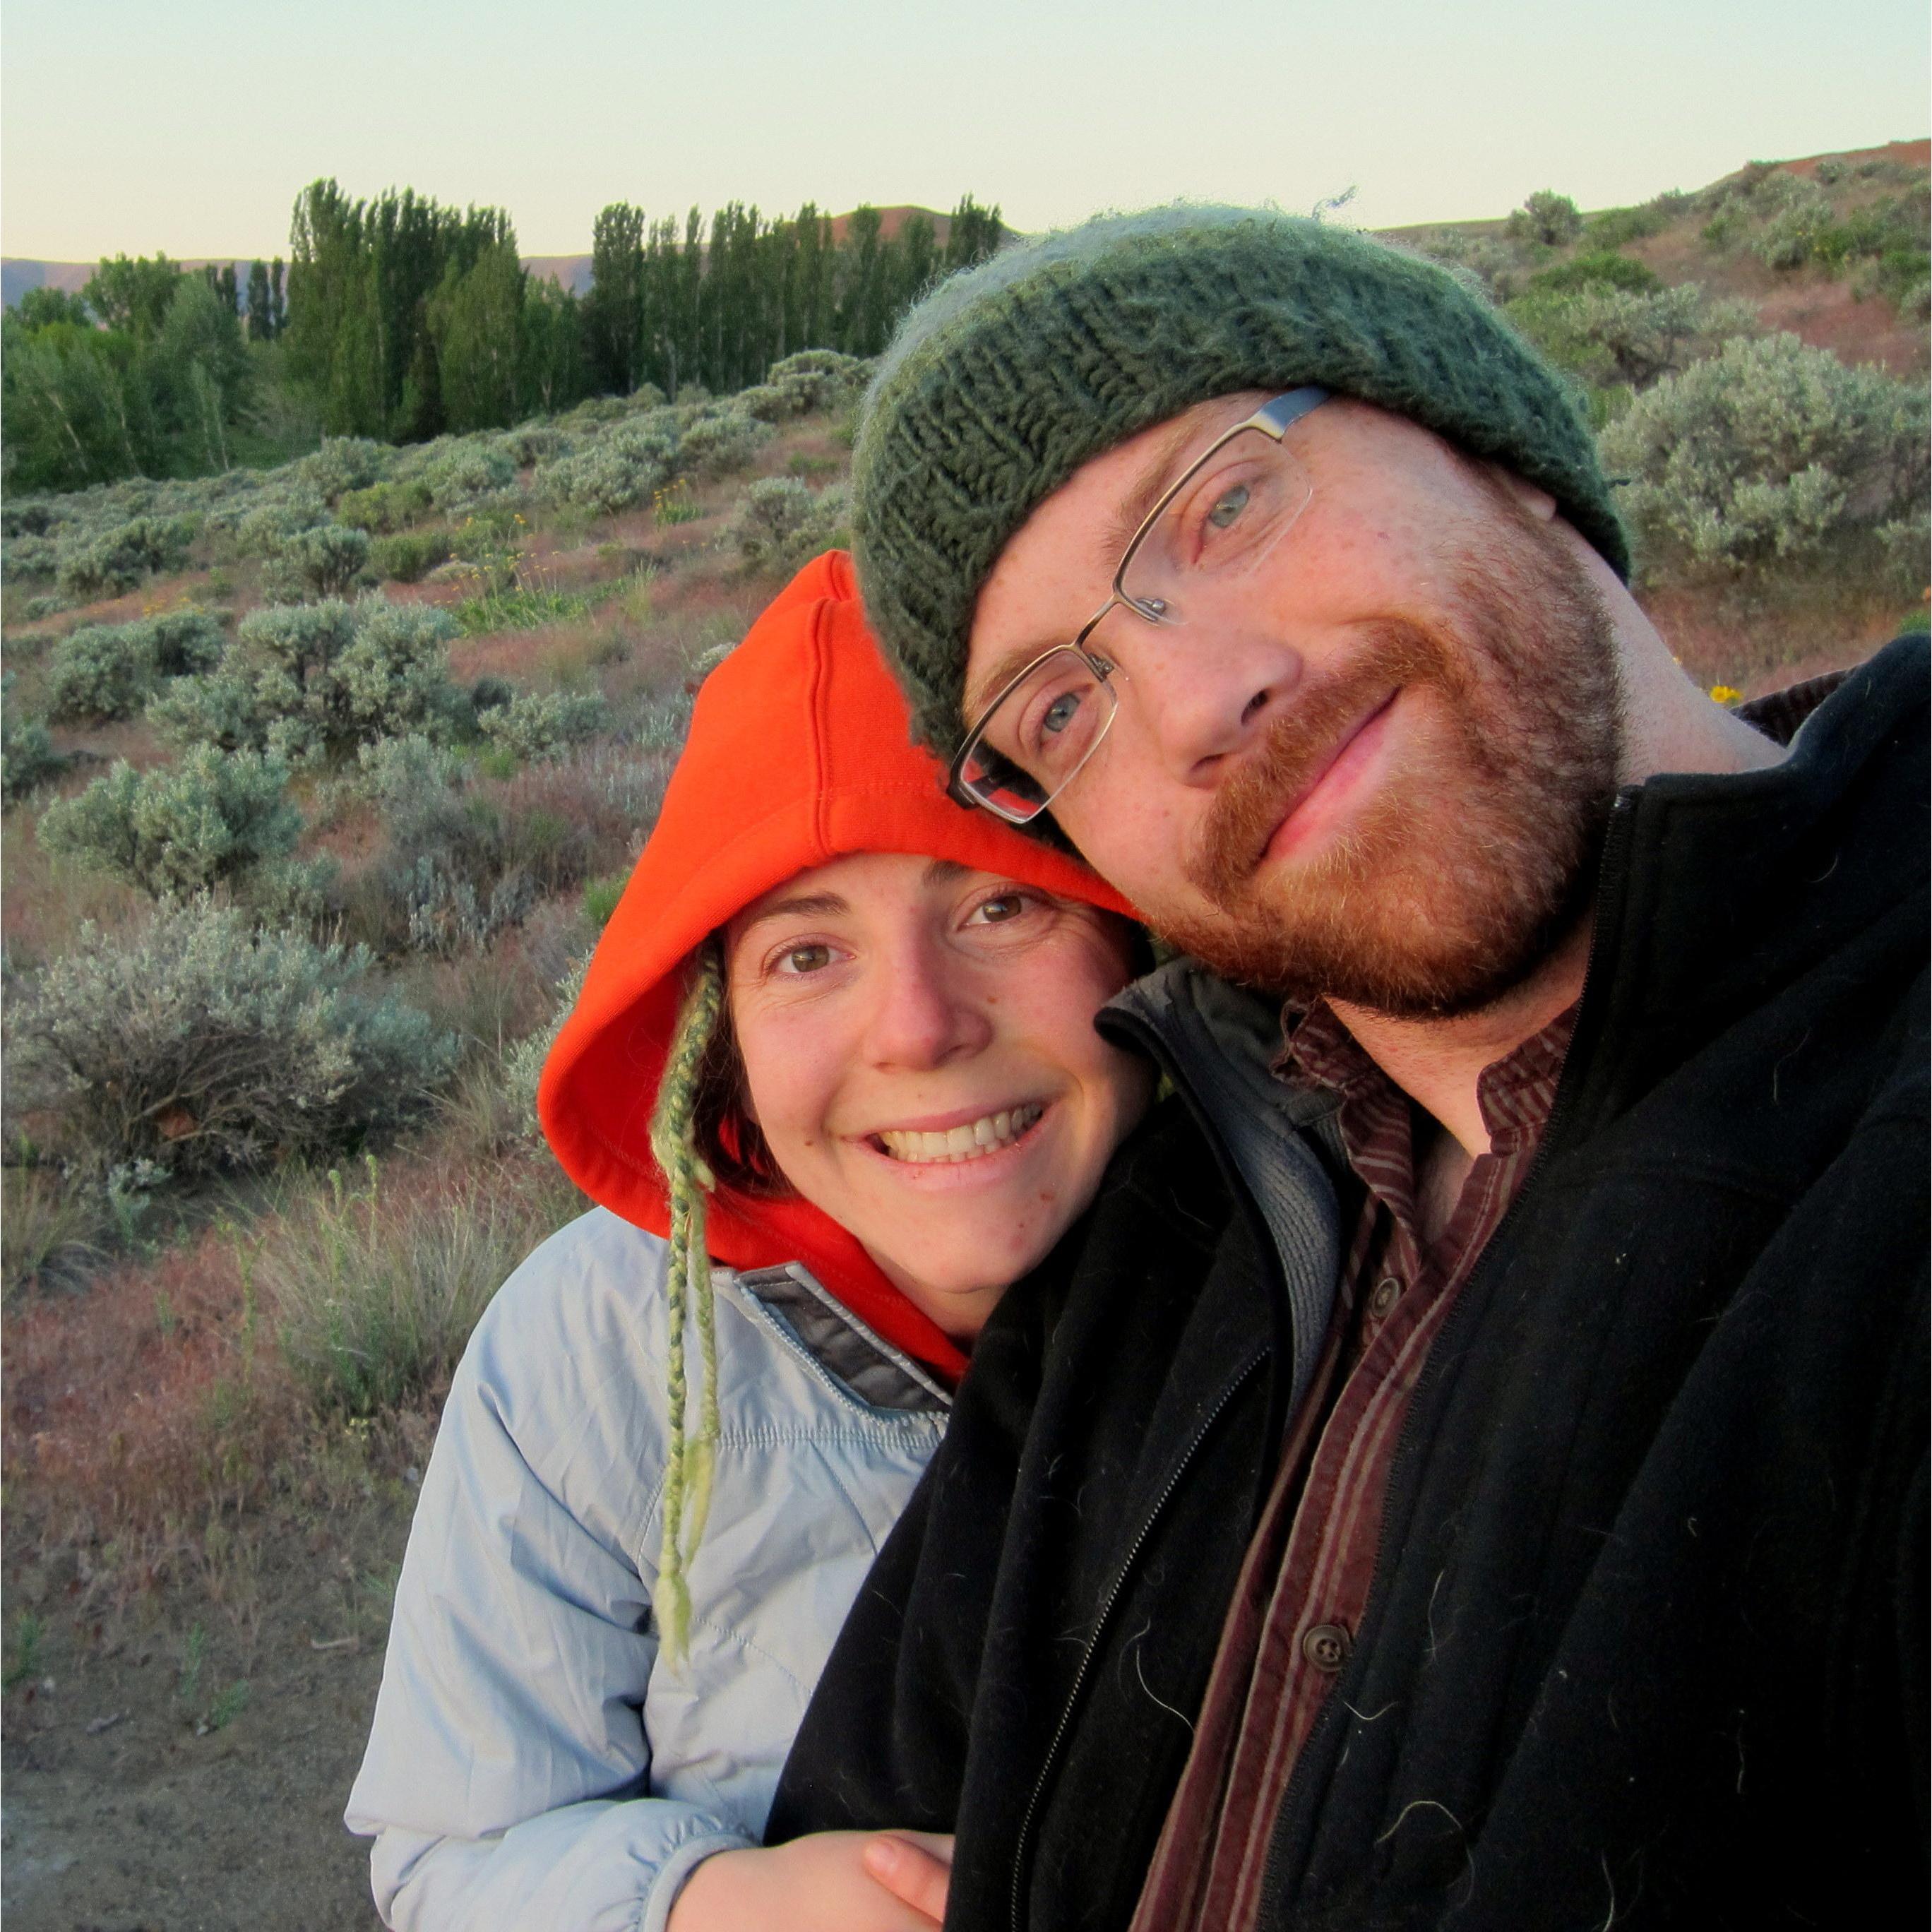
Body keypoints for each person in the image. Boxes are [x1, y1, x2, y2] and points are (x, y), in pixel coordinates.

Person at [766, 210, 1928, 1929]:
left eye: (1223, 506)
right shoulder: (1152, 1233)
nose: (1194, 705)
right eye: (1058, 711)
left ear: (1497, 449)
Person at [344, 549, 1158, 1931]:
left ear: (1145, 943)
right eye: (806, 952)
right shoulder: (585, 1355)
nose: (918, 1027)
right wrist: (705, 1904)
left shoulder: (1320, 1273)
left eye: (1000, 902)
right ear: (715, 1038)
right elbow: (453, 1854)